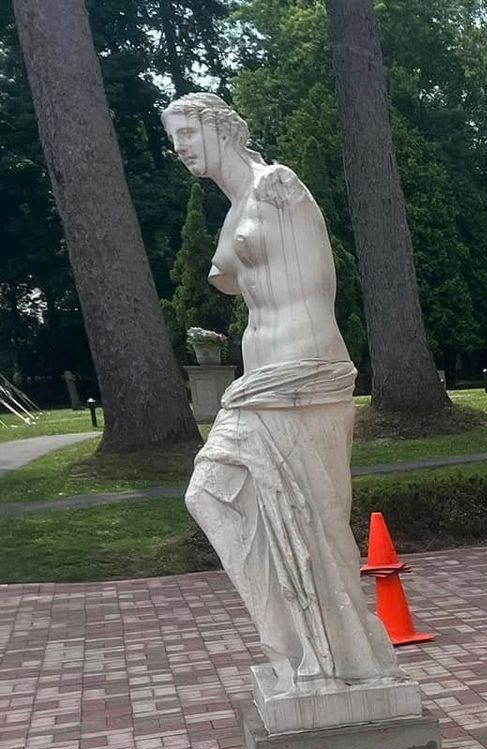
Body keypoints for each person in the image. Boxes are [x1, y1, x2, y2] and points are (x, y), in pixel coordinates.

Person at [161, 94, 400, 697]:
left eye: (187, 132)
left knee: (316, 522)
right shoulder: (235, 207)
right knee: (215, 494)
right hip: (262, 382)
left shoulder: (277, 186)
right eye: (173, 138)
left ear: (218, 127)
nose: (180, 146)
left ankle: (342, 661)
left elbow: (314, 279)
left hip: (305, 372)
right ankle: (299, 646)